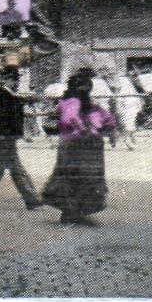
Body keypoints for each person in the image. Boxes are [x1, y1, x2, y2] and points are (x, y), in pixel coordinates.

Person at [40, 69, 116, 224]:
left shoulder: (69, 102)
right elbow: (73, 118)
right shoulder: (77, 102)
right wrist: (92, 130)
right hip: (82, 144)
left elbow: (103, 119)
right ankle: (73, 212)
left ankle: (73, 211)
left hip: (73, 143)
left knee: (71, 177)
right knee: (83, 177)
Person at [0, 65, 41, 210]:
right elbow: (8, 119)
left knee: (5, 169)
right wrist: (21, 133)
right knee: (10, 169)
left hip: (2, 138)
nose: (16, 83)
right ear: (6, 80)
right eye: (13, 80)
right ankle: (31, 198)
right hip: (4, 138)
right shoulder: (6, 96)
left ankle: (31, 198)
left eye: (16, 80)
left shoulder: (5, 95)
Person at [114, 75, 144, 151]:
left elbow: (138, 103)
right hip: (126, 112)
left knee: (130, 128)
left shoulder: (130, 92)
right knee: (127, 127)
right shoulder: (122, 93)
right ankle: (128, 142)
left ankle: (130, 141)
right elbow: (119, 104)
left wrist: (138, 110)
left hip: (131, 112)